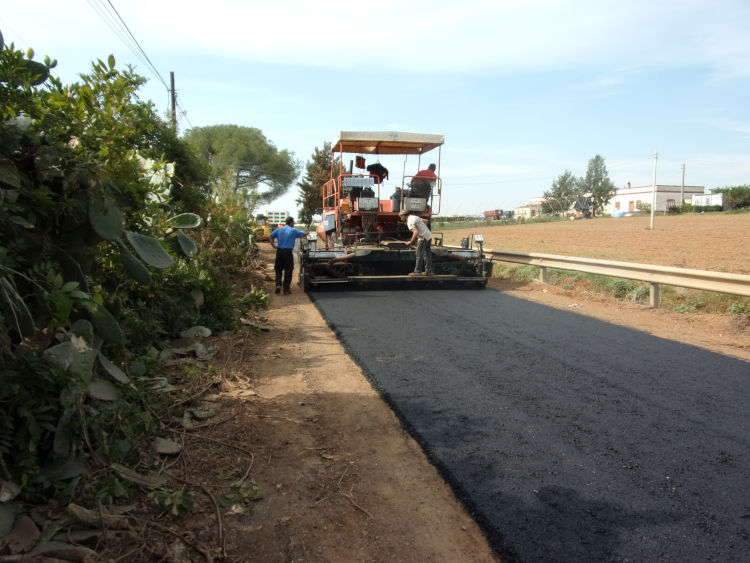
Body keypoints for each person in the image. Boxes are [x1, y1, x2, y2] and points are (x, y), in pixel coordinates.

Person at [269, 217, 306, 294]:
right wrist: (308, 234)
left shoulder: (279, 229)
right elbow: (304, 234)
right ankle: (286, 289)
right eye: (293, 222)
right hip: (288, 253)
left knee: (278, 269)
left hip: (279, 252)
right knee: (288, 270)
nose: (294, 224)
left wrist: (273, 245)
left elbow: (270, 236)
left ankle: (278, 284)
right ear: (291, 222)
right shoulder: (293, 230)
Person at [399, 209, 433, 276]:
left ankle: (417, 272)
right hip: (429, 236)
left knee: (419, 254)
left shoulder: (410, 221)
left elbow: (416, 232)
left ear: (403, 216)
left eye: (400, 217)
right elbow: (426, 221)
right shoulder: (414, 217)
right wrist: (424, 230)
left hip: (423, 238)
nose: (400, 218)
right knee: (427, 254)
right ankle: (429, 271)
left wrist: (410, 242)